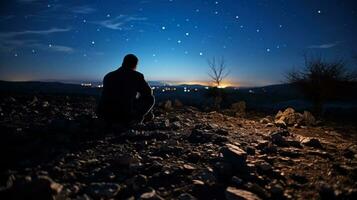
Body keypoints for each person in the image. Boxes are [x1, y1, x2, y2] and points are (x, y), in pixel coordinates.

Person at [97, 54, 155, 126]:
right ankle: (136, 120)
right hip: (124, 115)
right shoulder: (137, 75)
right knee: (150, 98)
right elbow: (148, 92)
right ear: (135, 65)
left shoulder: (108, 75)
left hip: (105, 114)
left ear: (123, 63)